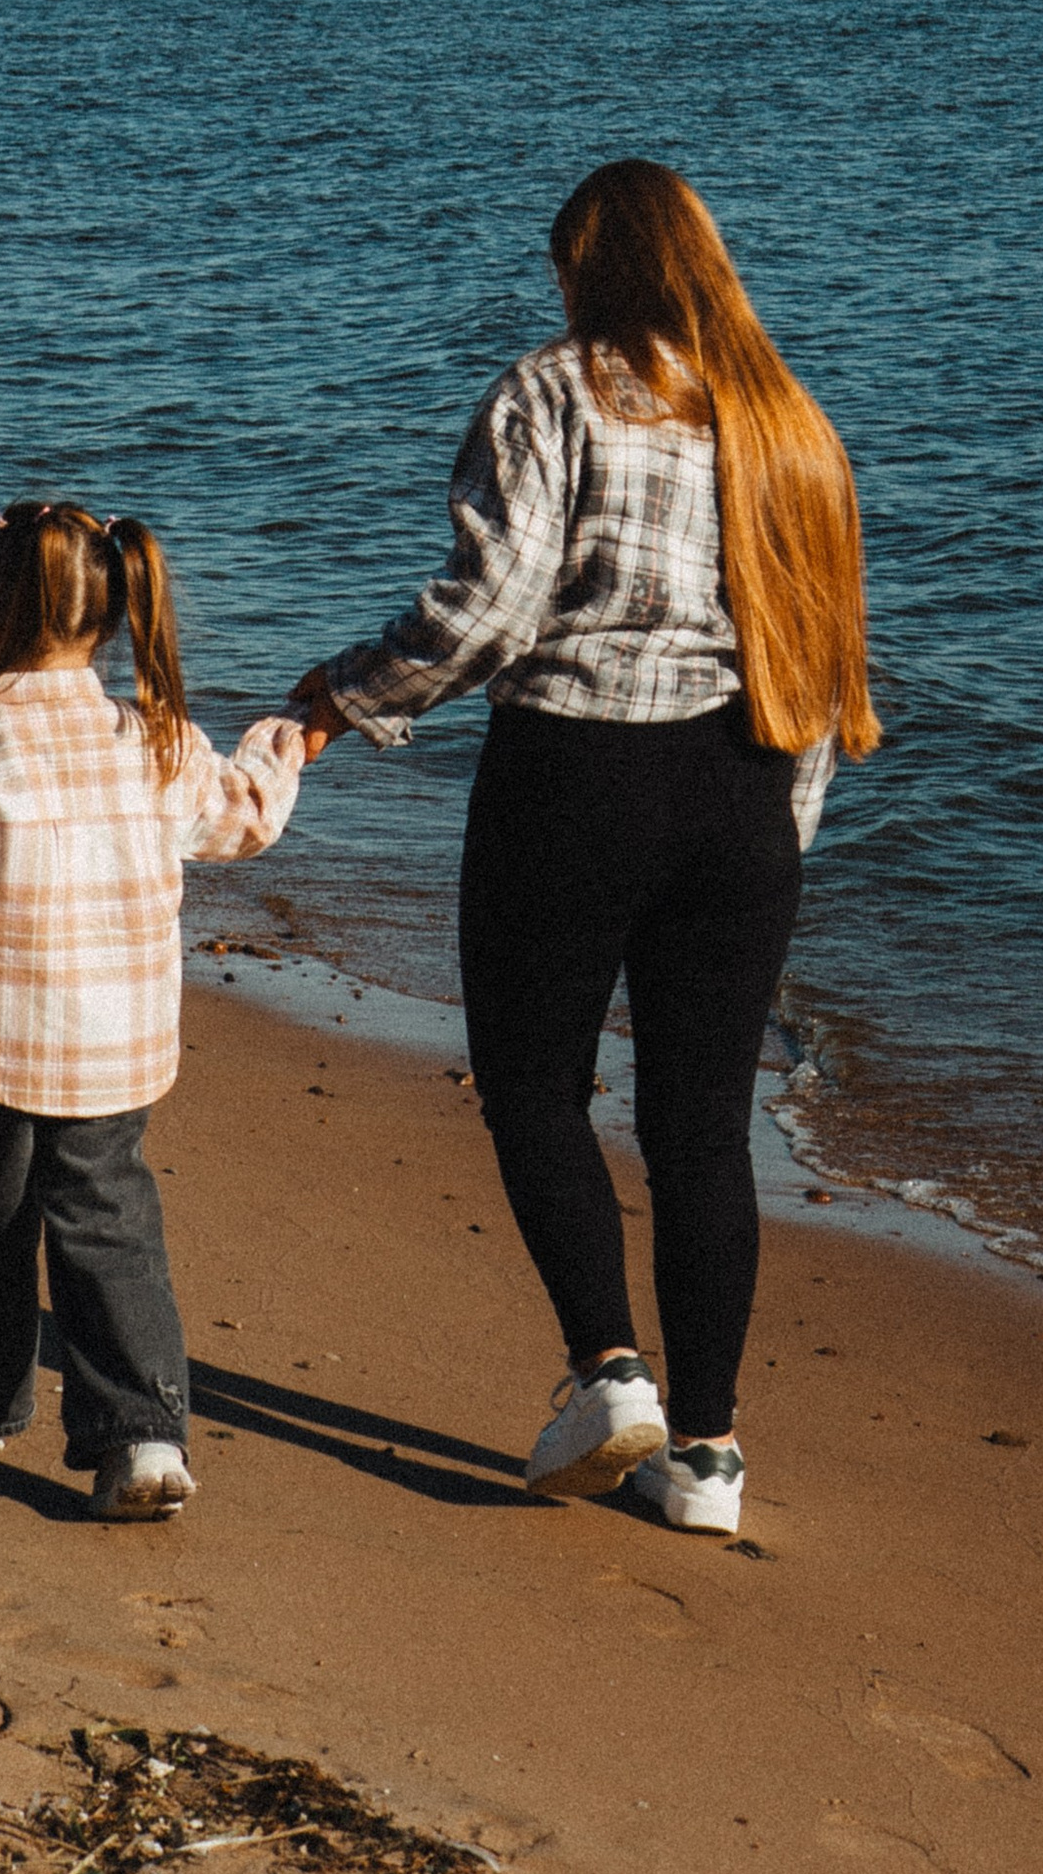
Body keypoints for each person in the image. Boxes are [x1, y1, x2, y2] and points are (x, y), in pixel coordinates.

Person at [292, 160, 876, 1535]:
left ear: (586, 272)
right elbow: (820, 649)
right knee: (703, 1130)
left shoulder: (551, 392)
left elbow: (492, 610)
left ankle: (611, 1376)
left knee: (534, 1086)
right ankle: (710, 1460)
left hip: (576, 776)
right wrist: (779, 831)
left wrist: (343, 697)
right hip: (747, 790)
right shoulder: (789, 420)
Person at [0, 501, 310, 1520]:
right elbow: (242, 819)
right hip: (115, 1046)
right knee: (110, 1229)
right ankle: (142, 1437)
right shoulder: (154, 738)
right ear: (109, 615)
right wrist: (287, 744)